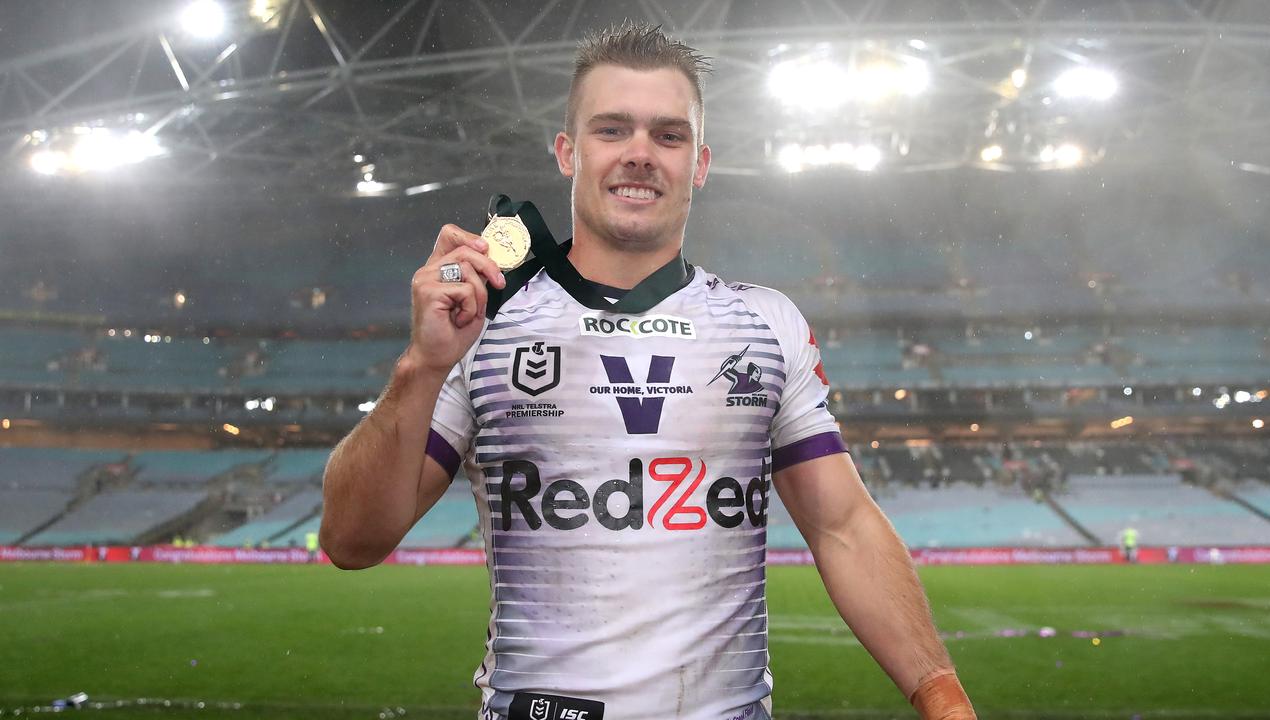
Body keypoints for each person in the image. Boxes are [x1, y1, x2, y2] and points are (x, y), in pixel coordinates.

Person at [320, 23, 974, 720]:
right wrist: (421, 366)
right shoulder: (481, 324)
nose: (640, 154)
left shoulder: (765, 322)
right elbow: (352, 540)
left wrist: (942, 696)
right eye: (612, 131)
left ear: (700, 162)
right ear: (568, 153)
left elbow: (842, 524)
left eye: (668, 135)